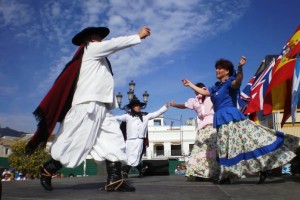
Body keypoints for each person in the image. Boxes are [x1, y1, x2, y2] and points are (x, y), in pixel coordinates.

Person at [25, 26, 151, 191]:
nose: (99, 38)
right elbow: (114, 44)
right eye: (95, 35)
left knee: (114, 140)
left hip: (102, 107)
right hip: (86, 105)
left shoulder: (101, 58)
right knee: (75, 141)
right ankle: (48, 169)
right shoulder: (91, 49)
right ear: (88, 39)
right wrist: (138, 36)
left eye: (99, 35)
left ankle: (114, 180)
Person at [182, 56, 298, 184]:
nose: (217, 70)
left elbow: (238, 81)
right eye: (216, 68)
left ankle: (230, 175)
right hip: (220, 120)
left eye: (220, 68)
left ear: (227, 71)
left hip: (232, 118)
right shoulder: (216, 87)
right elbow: (203, 92)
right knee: (224, 148)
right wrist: (190, 84)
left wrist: (240, 68)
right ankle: (229, 173)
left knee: (240, 145)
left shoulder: (230, 83)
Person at [170, 82, 219, 181]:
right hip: (202, 126)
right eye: (195, 91)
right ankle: (197, 172)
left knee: (212, 148)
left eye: (198, 90)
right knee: (199, 148)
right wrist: (174, 104)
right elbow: (183, 106)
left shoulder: (211, 96)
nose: (197, 93)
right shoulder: (194, 101)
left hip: (213, 123)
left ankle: (213, 171)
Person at [114, 97, 168, 178]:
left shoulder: (145, 115)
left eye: (139, 106)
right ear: (132, 107)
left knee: (136, 156)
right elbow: (116, 118)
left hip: (140, 140)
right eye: (136, 106)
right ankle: (139, 168)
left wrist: (164, 108)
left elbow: (155, 114)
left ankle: (126, 171)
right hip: (130, 140)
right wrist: (106, 116)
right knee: (128, 156)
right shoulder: (127, 116)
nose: (138, 107)